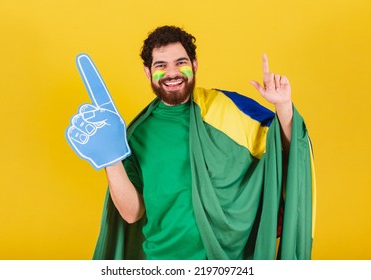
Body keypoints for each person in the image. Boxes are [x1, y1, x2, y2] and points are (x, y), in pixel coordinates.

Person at [70, 25, 315, 260]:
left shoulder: (227, 109)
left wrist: (283, 105)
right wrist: (111, 160)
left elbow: (288, 152)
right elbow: (132, 213)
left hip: (229, 261)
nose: (172, 73)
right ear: (148, 71)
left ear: (195, 65)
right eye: (161, 65)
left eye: (181, 62)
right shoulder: (137, 134)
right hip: (163, 261)